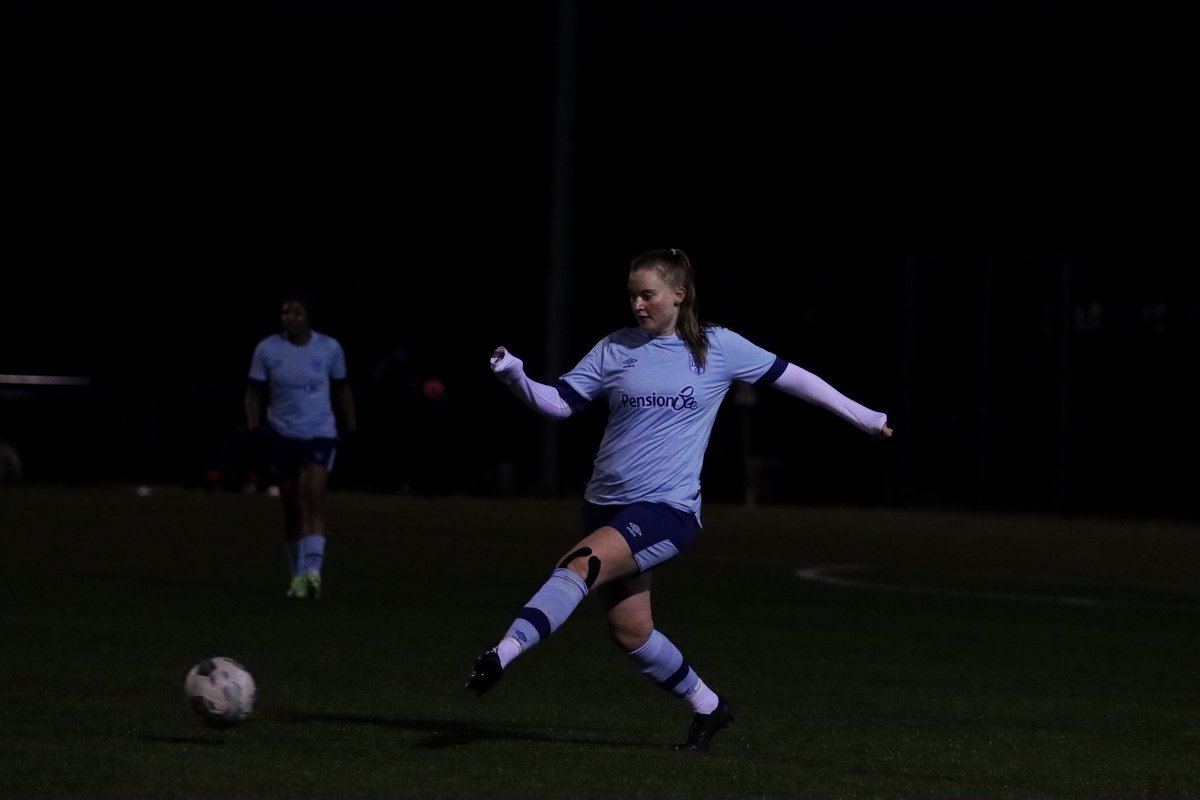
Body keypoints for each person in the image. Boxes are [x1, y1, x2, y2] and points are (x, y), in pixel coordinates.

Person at [466, 248, 893, 751]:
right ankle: (710, 707)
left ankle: (504, 652)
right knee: (631, 634)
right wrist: (515, 376)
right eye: (632, 296)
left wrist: (864, 417)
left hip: (666, 510)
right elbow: (559, 404)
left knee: (579, 565)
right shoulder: (614, 348)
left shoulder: (718, 347)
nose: (638, 305)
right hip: (604, 505)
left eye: (648, 295)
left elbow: (796, 378)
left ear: (679, 294)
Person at [244, 289, 357, 600]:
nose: (289, 318)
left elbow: (342, 389)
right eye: (285, 312)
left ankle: (313, 574)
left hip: (319, 433)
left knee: (313, 497)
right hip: (281, 435)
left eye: (296, 312)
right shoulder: (267, 349)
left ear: (309, 317)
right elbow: (253, 392)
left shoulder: (329, 347)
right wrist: (254, 430)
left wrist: (351, 427)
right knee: (291, 504)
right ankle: (296, 577)